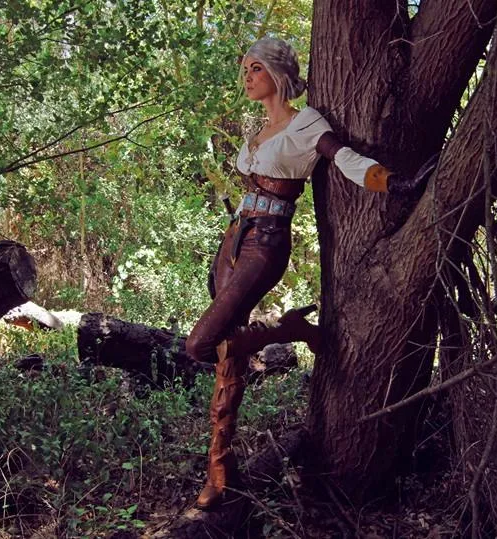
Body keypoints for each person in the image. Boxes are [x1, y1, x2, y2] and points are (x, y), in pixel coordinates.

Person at [184, 37, 430, 510]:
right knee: (226, 353)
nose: (247, 77)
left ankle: (291, 329)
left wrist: (394, 182)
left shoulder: (306, 123)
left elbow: (345, 158)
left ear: (277, 73)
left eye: (255, 68)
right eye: (245, 69)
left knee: (200, 344)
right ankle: (219, 465)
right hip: (234, 238)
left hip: (266, 243)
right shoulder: (258, 130)